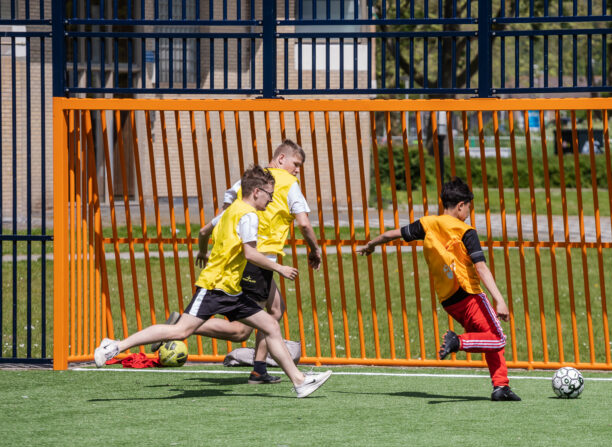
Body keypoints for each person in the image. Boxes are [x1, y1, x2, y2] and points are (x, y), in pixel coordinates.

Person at [94, 165, 332, 398]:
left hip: (230, 289)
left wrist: (203, 251)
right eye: (270, 194)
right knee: (180, 331)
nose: (271, 200)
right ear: (256, 192)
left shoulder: (232, 210)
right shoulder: (248, 215)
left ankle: (299, 381)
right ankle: (115, 346)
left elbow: (205, 232)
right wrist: (278, 267)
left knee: (270, 325)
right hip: (214, 287)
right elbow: (251, 254)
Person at [154, 140, 321, 386]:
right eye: (296, 164)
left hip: (249, 259)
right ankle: (185, 325)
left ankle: (259, 369)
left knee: (275, 311)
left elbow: (225, 207)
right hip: (257, 259)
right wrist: (314, 249)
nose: (297, 170)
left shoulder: (250, 181)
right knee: (243, 331)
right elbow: (304, 223)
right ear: (281, 158)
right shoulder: (288, 184)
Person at [356, 177, 520, 402]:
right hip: (470, 294)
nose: (469, 213)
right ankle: (458, 342)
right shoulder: (466, 231)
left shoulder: (428, 224)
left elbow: (391, 234)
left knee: (487, 337)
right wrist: (499, 299)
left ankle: (501, 386)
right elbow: (480, 266)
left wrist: (371, 244)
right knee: (498, 338)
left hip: (449, 301)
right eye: (469, 208)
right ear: (461, 205)